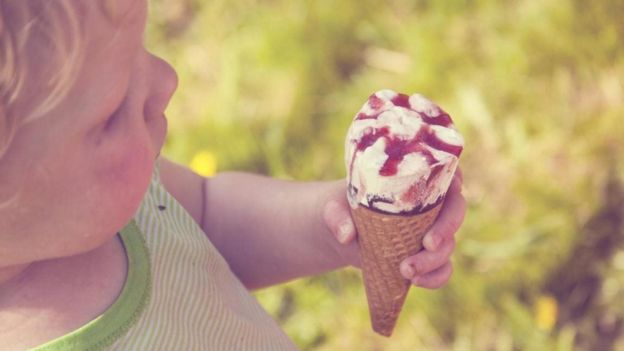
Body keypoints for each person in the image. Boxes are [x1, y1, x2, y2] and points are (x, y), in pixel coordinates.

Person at [0, 0, 466, 349]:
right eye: (113, 111)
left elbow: (211, 216)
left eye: (142, 52)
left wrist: (335, 228)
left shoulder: (123, 203)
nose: (166, 81)